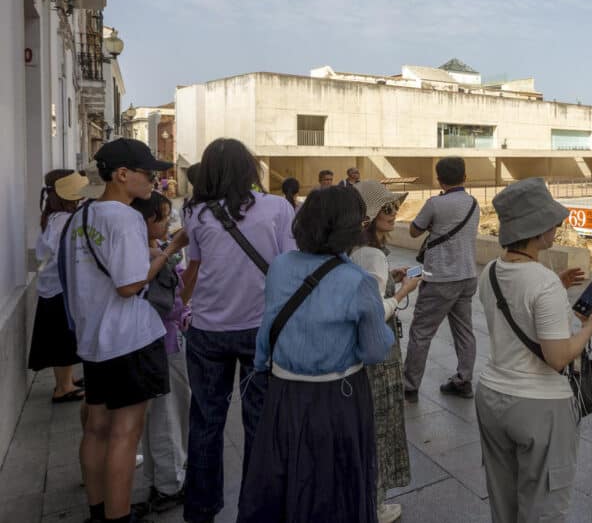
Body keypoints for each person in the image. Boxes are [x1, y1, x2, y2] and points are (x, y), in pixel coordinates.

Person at [237, 186, 395, 523]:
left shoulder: (280, 266)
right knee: (334, 486)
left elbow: (268, 327)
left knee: (283, 477)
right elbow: (375, 349)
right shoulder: (358, 281)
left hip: (282, 393)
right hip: (337, 399)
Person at [62, 138, 179, 523]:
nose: (155, 183)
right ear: (123, 174)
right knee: (125, 433)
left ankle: (98, 511)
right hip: (128, 338)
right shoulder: (126, 217)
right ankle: (119, 514)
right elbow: (129, 285)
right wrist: (167, 250)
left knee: (96, 427)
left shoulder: (84, 215)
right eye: (149, 174)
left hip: (95, 338)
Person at [181, 138, 296, 523]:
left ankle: (200, 509)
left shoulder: (195, 213)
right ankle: (257, 510)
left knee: (206, 422)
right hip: (260, 330)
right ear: (249, 169)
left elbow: (196, 265)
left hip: (207, 329)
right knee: (260, 425)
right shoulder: (278, 207)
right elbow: (288, 265)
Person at [475, 178, 592, 523]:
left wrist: (555, 286)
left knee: (504, 499)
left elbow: (516, 307)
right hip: (538, 405)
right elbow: (558, 357)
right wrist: (589, 327)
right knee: (543, 506)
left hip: (492, 394)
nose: (557, 226)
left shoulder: (492, 272)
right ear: (537, 228)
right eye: (552, 221)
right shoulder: (541, 282)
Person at [350, 181, 421, 523]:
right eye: (387, 210)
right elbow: (375, 309)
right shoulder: (373, 254)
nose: (394, 215)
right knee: (380, 427)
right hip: (379, 354)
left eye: (394, 208)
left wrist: (390, 278)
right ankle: (376, 504)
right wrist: (403, 289)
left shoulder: (354, 250)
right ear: (368, 217)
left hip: (356, 354)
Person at [131, 192, 190, 514]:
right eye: (164, 216)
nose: (168, 222)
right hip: (162, 343)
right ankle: (170, 485)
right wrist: (178, 255)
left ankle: (160, 479)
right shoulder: (151, 254)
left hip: (152, 343)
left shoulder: (149, 251)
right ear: (147, 220)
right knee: (168, 416)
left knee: (160, 417)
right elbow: (170, 301)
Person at [405, 157, 480, 401]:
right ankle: (463, 380)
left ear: (439, 179)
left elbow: (414, 230)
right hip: (467, 276)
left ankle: (410, 385)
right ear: (465, 177)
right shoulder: (474, 203)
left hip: (440, 279)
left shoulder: (435, 203)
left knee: (421, 332)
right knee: (464, 331)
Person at [29, 170, 87, 404]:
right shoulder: (64, 220)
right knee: (62, 339)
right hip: (59, 288)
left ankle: (67, 380)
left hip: (52, 285)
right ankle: (63, 387)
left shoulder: (52, 217)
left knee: (62, 337)